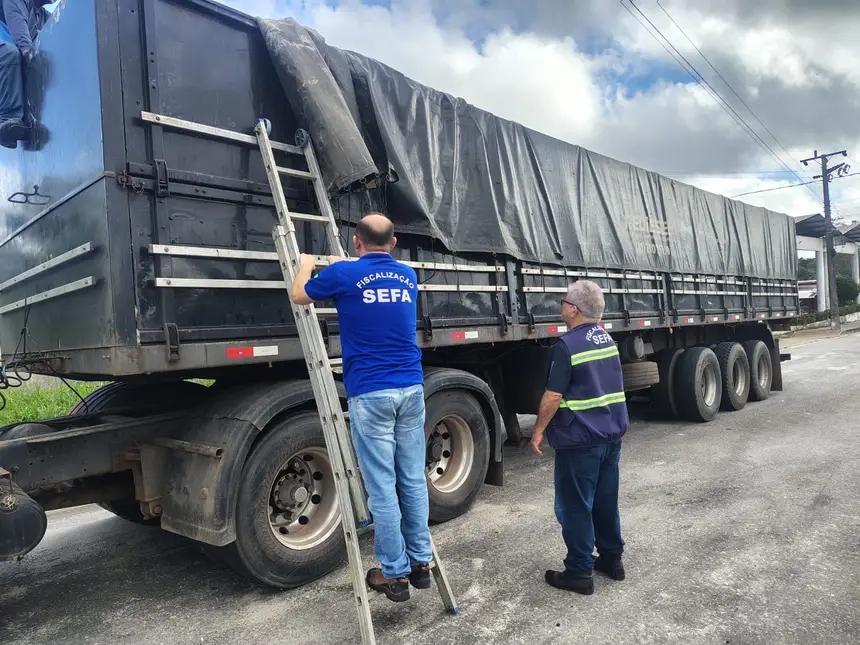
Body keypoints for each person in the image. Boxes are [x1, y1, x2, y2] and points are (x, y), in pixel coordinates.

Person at [290, 212, 432, 603]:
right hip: (410, 388)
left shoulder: (347, 274)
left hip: (371, 393)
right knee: (413, 479)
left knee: (383, 487)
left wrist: (305, 265)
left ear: (356, 243)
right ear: (395, 242)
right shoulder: (408, 276)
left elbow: (300, 294)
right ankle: (422, 563)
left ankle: (395, 573)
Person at [529, 279, 629, 595]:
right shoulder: (607, 339)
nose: (561, 306)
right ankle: (612, 560)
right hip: (611, 435)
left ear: (573, 309)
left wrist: (538, 430)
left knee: (574, 506)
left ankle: (579, 572)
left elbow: (553, 395)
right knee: (604, 501)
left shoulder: (567, 346)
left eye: (563, 301)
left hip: (581, 439)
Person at [0, 0, 51, 148]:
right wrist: (27, 50)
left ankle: (20, 125)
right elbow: (16, 18)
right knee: (9, 55)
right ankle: (6, 119)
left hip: (7, 75)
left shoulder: (41, 17)